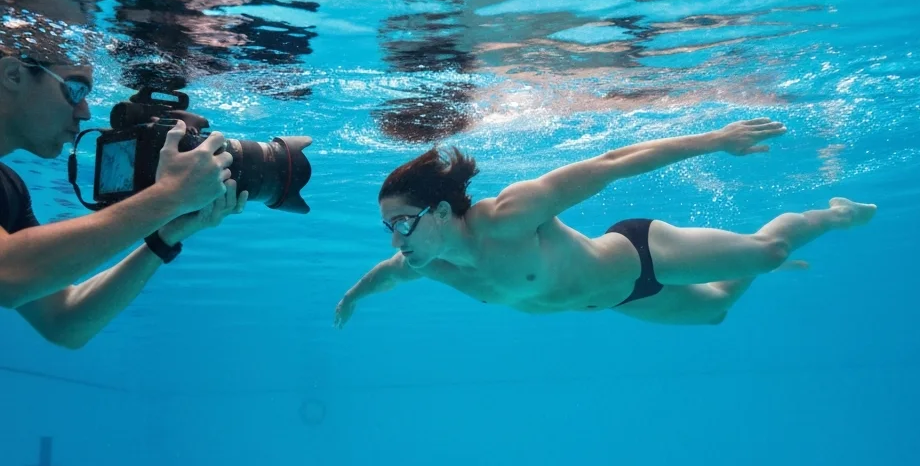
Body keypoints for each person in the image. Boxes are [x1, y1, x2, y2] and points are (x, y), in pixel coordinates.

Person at [334, 118, 875, 328]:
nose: (396, 239)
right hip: (621, 299)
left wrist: (715, 141)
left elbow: (610, 165)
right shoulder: (428, 264)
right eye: (389, 228)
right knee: (716, 312)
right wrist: (352, 298)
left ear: (444, 212)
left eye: (403, 223)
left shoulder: (508, 216)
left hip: (640, 254)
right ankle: (749, 263)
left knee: (768, 254)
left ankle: (832, 214)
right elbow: (384, 274)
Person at [0, 49, 246, 348]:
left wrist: (166, 236)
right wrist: (170, 196)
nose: (85, 111)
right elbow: (8, 274)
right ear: (13, 75)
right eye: (75, 89)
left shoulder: (9, 189)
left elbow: (65, 320)